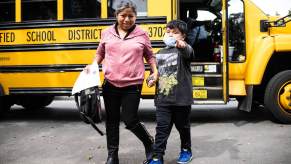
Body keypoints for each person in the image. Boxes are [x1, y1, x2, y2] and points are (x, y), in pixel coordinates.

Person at [85, 1, 158, 164]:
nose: (126, 19)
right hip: (110, 83)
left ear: (135, 17)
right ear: (116, 15)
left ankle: (149, 143)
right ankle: (112, 155)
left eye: (130, 16)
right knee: (111, 120)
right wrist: (93, 65)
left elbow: (150, 56)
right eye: (123, 15)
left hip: (133, 84)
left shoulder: (142, 34)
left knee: (130, 119)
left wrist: (155, 71)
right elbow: (100, 53)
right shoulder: (107, 33)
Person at [148, 20, 194, 164]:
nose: (170, 35)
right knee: (161, 129)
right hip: (163, 98)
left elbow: (188, 52)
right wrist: (151, 79)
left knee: (183, 127)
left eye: (175, 33)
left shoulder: (185, 50)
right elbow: (155, 73)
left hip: (182, 98)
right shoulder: (160, 53)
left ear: (183, 36)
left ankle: (186, 150)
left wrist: (182, 45)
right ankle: (157, 156)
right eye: (168, 32)